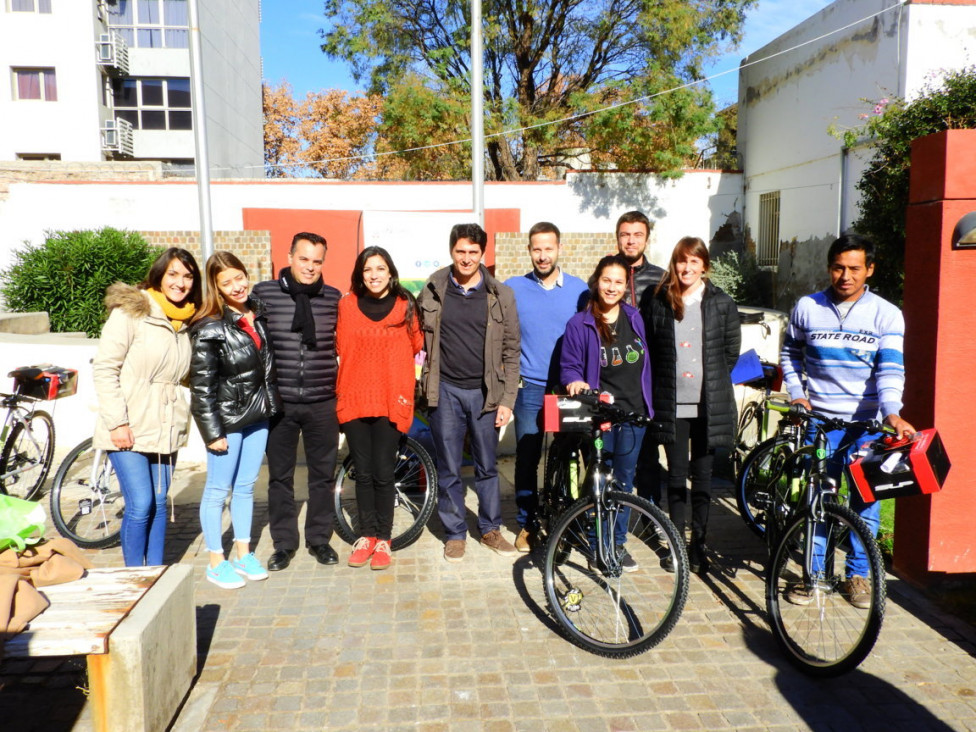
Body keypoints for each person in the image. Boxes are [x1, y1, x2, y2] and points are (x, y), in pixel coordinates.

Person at [781, 233, 914, 608]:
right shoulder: (807, 307)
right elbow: (791, 353)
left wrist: (892, 413)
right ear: (829, 267)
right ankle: (815, 576)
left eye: (855, 268)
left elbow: (890, 370)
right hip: (820, 422)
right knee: (817, 499)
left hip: (868, 426)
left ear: (869, 269)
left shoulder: (887, 314)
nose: (845, 276)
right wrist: (797, 392)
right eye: (838, 267)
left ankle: (857, 576)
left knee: (866, 503)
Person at [417, 223, 521, 563]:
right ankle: (455, 532)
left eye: (473, 252)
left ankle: (490, 528)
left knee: (487, 465)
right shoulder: (434, 289)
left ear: (483, 254)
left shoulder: (501, 295)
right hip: (444, 389)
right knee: (448, 466)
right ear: (452, 251)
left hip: (484, 393)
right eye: (460, 251)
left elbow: (511, 350)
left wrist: (507, 400)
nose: (466, 258)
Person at [92, 247, 201, 567]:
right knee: (140, 504)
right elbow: (105, 369)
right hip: (129, 422)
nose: (180, 283)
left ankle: (155, 574)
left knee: (158, 501)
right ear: (159, 275)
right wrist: (116, 423)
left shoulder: (185, 321)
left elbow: (183, 376)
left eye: (188, 276)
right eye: (174, 274)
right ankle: (133, 577)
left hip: (166, 425)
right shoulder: (132, 311)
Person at [641, 237, 740, 575]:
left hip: (707, 404)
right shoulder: (657, 300)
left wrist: (706, 382)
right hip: (672, 402)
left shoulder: (721, 303)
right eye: (682, 261)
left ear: (704, 266)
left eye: (694, 262)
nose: (687, 268)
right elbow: (651, 350)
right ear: (674, 263)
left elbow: (729, 353)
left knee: (703, 479)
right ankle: (677, 546)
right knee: (676, 477)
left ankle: (699, 544)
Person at [189, 252, 281, 589]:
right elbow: (201, 387)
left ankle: (243, 553)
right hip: (228, 420)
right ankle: (216, 560)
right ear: (215, 287)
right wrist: (212, 432)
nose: (237, 285)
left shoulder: (256, 313)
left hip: (258, 414)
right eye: (226, 282)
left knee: (245, 487)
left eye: (239, 277)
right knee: (217, 490)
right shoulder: (210, 326)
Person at [252, 232, 342, 571]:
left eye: (317, 261)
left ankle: (319, 540)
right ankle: (284, 544)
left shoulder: (332, 297)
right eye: (304, 259)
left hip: (322, 401)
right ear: (290, 257)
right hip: (281, 401)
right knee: (280, 477)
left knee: (322, 476)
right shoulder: (264, 294)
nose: (310, 267)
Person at [560, 254, 653, 572]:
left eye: (618, 282)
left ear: (625, 286)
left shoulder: (634, 317)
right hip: (601, 415)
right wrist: (574, 380)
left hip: (634, 412)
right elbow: (569, 364)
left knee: (624, 482)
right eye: (606, 280)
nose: (611, 287)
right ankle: (596, 542)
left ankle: (617, 544)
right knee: (600, 480)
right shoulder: (580, 323)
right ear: (596, 282)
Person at [336, 247, 424, 570]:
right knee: (364, 472)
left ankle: (384, 540)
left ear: (390, 272)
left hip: (390, 398)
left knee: (384, 472)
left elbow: (416, 346)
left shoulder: (406, 307)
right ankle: (367, 536)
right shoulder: (345, 306)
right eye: (367, 269)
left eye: (380, 268)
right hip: (355, 397)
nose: (373, 275)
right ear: (361, 274)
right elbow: (339, 345)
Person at [504, 222, 588, 552]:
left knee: (573, 457)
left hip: (570, 389)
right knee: (527, 458)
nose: (543, 255)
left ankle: (572, 519)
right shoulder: (513, 288)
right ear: (529, 251)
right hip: (531, 390)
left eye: (548, 248)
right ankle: (527, 524)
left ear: (559, 249)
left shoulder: (580, 290)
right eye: (536, 249)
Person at [616, 210, 667, 507]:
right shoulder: (604, 276)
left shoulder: (661, 278)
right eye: (625, 234)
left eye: (637, 235)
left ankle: (651, 515)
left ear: (647, 238)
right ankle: (610, 516)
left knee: (648, 453)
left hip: (650, 380)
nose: (631, 240)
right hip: (616, 378)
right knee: (613, 458)